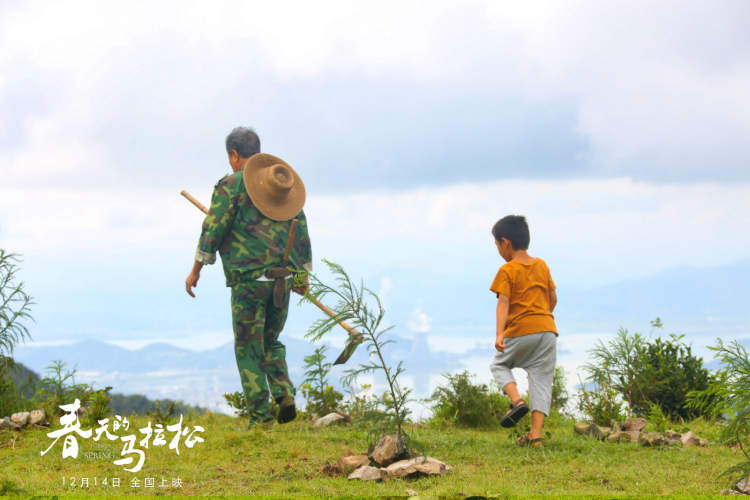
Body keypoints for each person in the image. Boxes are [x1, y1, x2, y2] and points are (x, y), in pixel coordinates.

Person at [184, 127, 312, 428]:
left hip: (248, 282)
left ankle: (260, 417)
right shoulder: (283, 184)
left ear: (234, 155)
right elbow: (301, 232)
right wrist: (301, 275)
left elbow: (212, 229)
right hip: (281, 279)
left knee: (248, 346)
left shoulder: (230, 185)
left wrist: (196, 270)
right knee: (271, 340)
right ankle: (283, 393)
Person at [488, 215, 557, 446]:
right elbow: (552, 298)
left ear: (505, 242)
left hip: (521, 330)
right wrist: (542, 317)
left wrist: (500, 333)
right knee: (541, 379)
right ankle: (536, 436)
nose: (498, 250)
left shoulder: (507, 270)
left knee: (499, 364)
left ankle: (517, 402)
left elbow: (503, 302)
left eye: (497, 245)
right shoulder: (542, 265)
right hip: (547, 330)